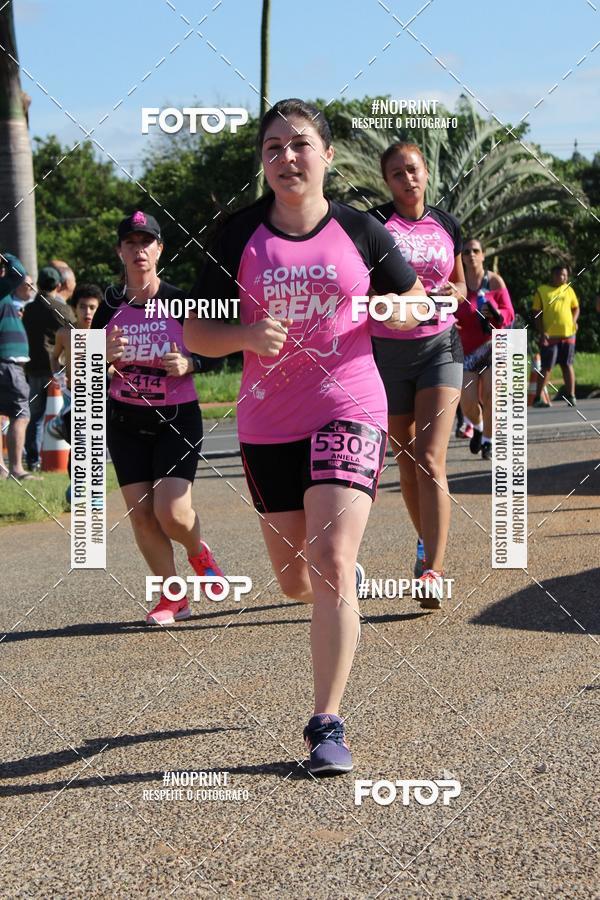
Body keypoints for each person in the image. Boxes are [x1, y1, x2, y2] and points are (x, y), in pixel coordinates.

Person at [184, 99, 426, 775]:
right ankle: (334, 576)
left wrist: (387, 308)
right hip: (267, 425)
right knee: (295, 580)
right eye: (273, 148)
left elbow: (414, 302)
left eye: (299, 145)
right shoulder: (235, 236)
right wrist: (240, 336)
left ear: (326, 155)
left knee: (327, 563)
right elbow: (194, 333)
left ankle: (326, 722)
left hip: (350, 406)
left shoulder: (361, 230)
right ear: (263, 162)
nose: (287, 158)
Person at [92, 211, 224, 626]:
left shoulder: (181, 301)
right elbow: (85, 371)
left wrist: (191, 362)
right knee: (142, 514)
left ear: (160, 249)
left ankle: (198, 551)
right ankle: (173, 597)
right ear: (119, 251)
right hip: (124, 420)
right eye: (130, 243)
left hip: (176, 417)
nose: (138, 250)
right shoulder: (109, 306)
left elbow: (222, 349)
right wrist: (101, 357)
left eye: (146, 242)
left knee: (172, 512)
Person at [369, 142, 467, 602]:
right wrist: (389, 306)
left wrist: (453, 291)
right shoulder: (373, 225)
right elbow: (360, 288)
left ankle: (433, 570)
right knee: (406, 462)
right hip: (386, 354)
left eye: (413, 169)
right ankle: (426, 541)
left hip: (439, 348)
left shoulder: (447, 224)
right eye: (396, 173)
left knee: (430, 457)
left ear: (426, 172)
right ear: (386, 181)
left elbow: (464, 285)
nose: (407, 179)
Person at [457, 238, 514, 460]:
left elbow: (509, 312)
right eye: (466, 251)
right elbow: (447, 310)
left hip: (493, 346)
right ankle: (478, 427)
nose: (471, 254)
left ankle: (489, 442)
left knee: (493, 395)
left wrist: (496, 313)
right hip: (465, 351)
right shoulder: (456, 284)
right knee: (468, 403)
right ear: (461, 257)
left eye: (475, 251)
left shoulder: (494, 282)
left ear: (483, 255)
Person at [48, 284, 103, 503]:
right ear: (74, 308)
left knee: (95, 443)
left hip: (97, 396)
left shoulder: (104, 334)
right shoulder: (65, 334)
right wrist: (58, 375)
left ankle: (95, 491)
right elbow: (54, 357)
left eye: (92, 307)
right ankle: (78, 485)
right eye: (83, 307)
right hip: (72, 396)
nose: (88, 312)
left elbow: (112, 365)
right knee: (79, 443)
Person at [22, 266, 73, 470]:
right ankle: (68, 456)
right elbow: (75, 334)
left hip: (33, 368)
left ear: (39, 285)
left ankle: (33, 460)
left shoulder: (29, 309)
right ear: (59, 286)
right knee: (66, 412)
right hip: (57, 369)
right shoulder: (62, 309)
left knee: (34, 416)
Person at [0, 253, 39, 481]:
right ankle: (16, 468)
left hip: (6, 362)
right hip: (8, 362)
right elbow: (18, 271)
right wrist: (6, 256)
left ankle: (2, 470)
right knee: (20, 413)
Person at [532, 265, 580, 407]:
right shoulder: (542, 291)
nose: (563, 278)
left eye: (565, 275)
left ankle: (571, 396)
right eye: (560, 275)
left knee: (567, 365)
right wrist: (542, 332)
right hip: (550, 336)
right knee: (547, 366)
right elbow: (536, 313)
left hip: (568, 334)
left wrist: (574, 321)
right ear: (553, 275)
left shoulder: (568, 289)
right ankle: (538, 398)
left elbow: (576, 307)